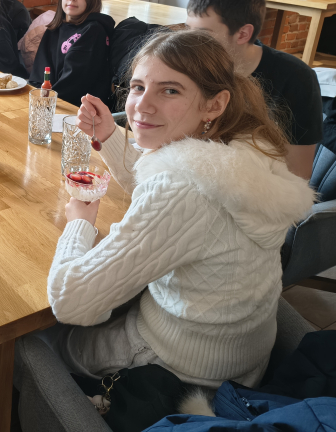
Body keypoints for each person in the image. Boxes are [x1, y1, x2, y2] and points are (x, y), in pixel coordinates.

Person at [42, 30, 315, 389]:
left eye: (170, 90)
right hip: (237, 360)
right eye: (138, 87)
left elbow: (71, 301)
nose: (142, 106)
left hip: (177, 369)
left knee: (36, 340)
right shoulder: (242, 152)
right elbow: (170, 184)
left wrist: (79, 224)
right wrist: (109, 135)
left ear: (214, 105)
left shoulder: (183, 191)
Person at [186, 0, 322, 179]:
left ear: (243, 34)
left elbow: (298, 173)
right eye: (188, 30)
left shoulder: (296, 79)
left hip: (256, 185)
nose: (190, 44)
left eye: (203, 35)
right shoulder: (190, 64)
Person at [28, 0, 115, 106]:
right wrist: (36, 96)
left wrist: (46, 101)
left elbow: (74, 83)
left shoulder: (94, 31)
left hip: (79, 108)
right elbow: (40, 72)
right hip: (49, 101)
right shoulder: (55, 28)